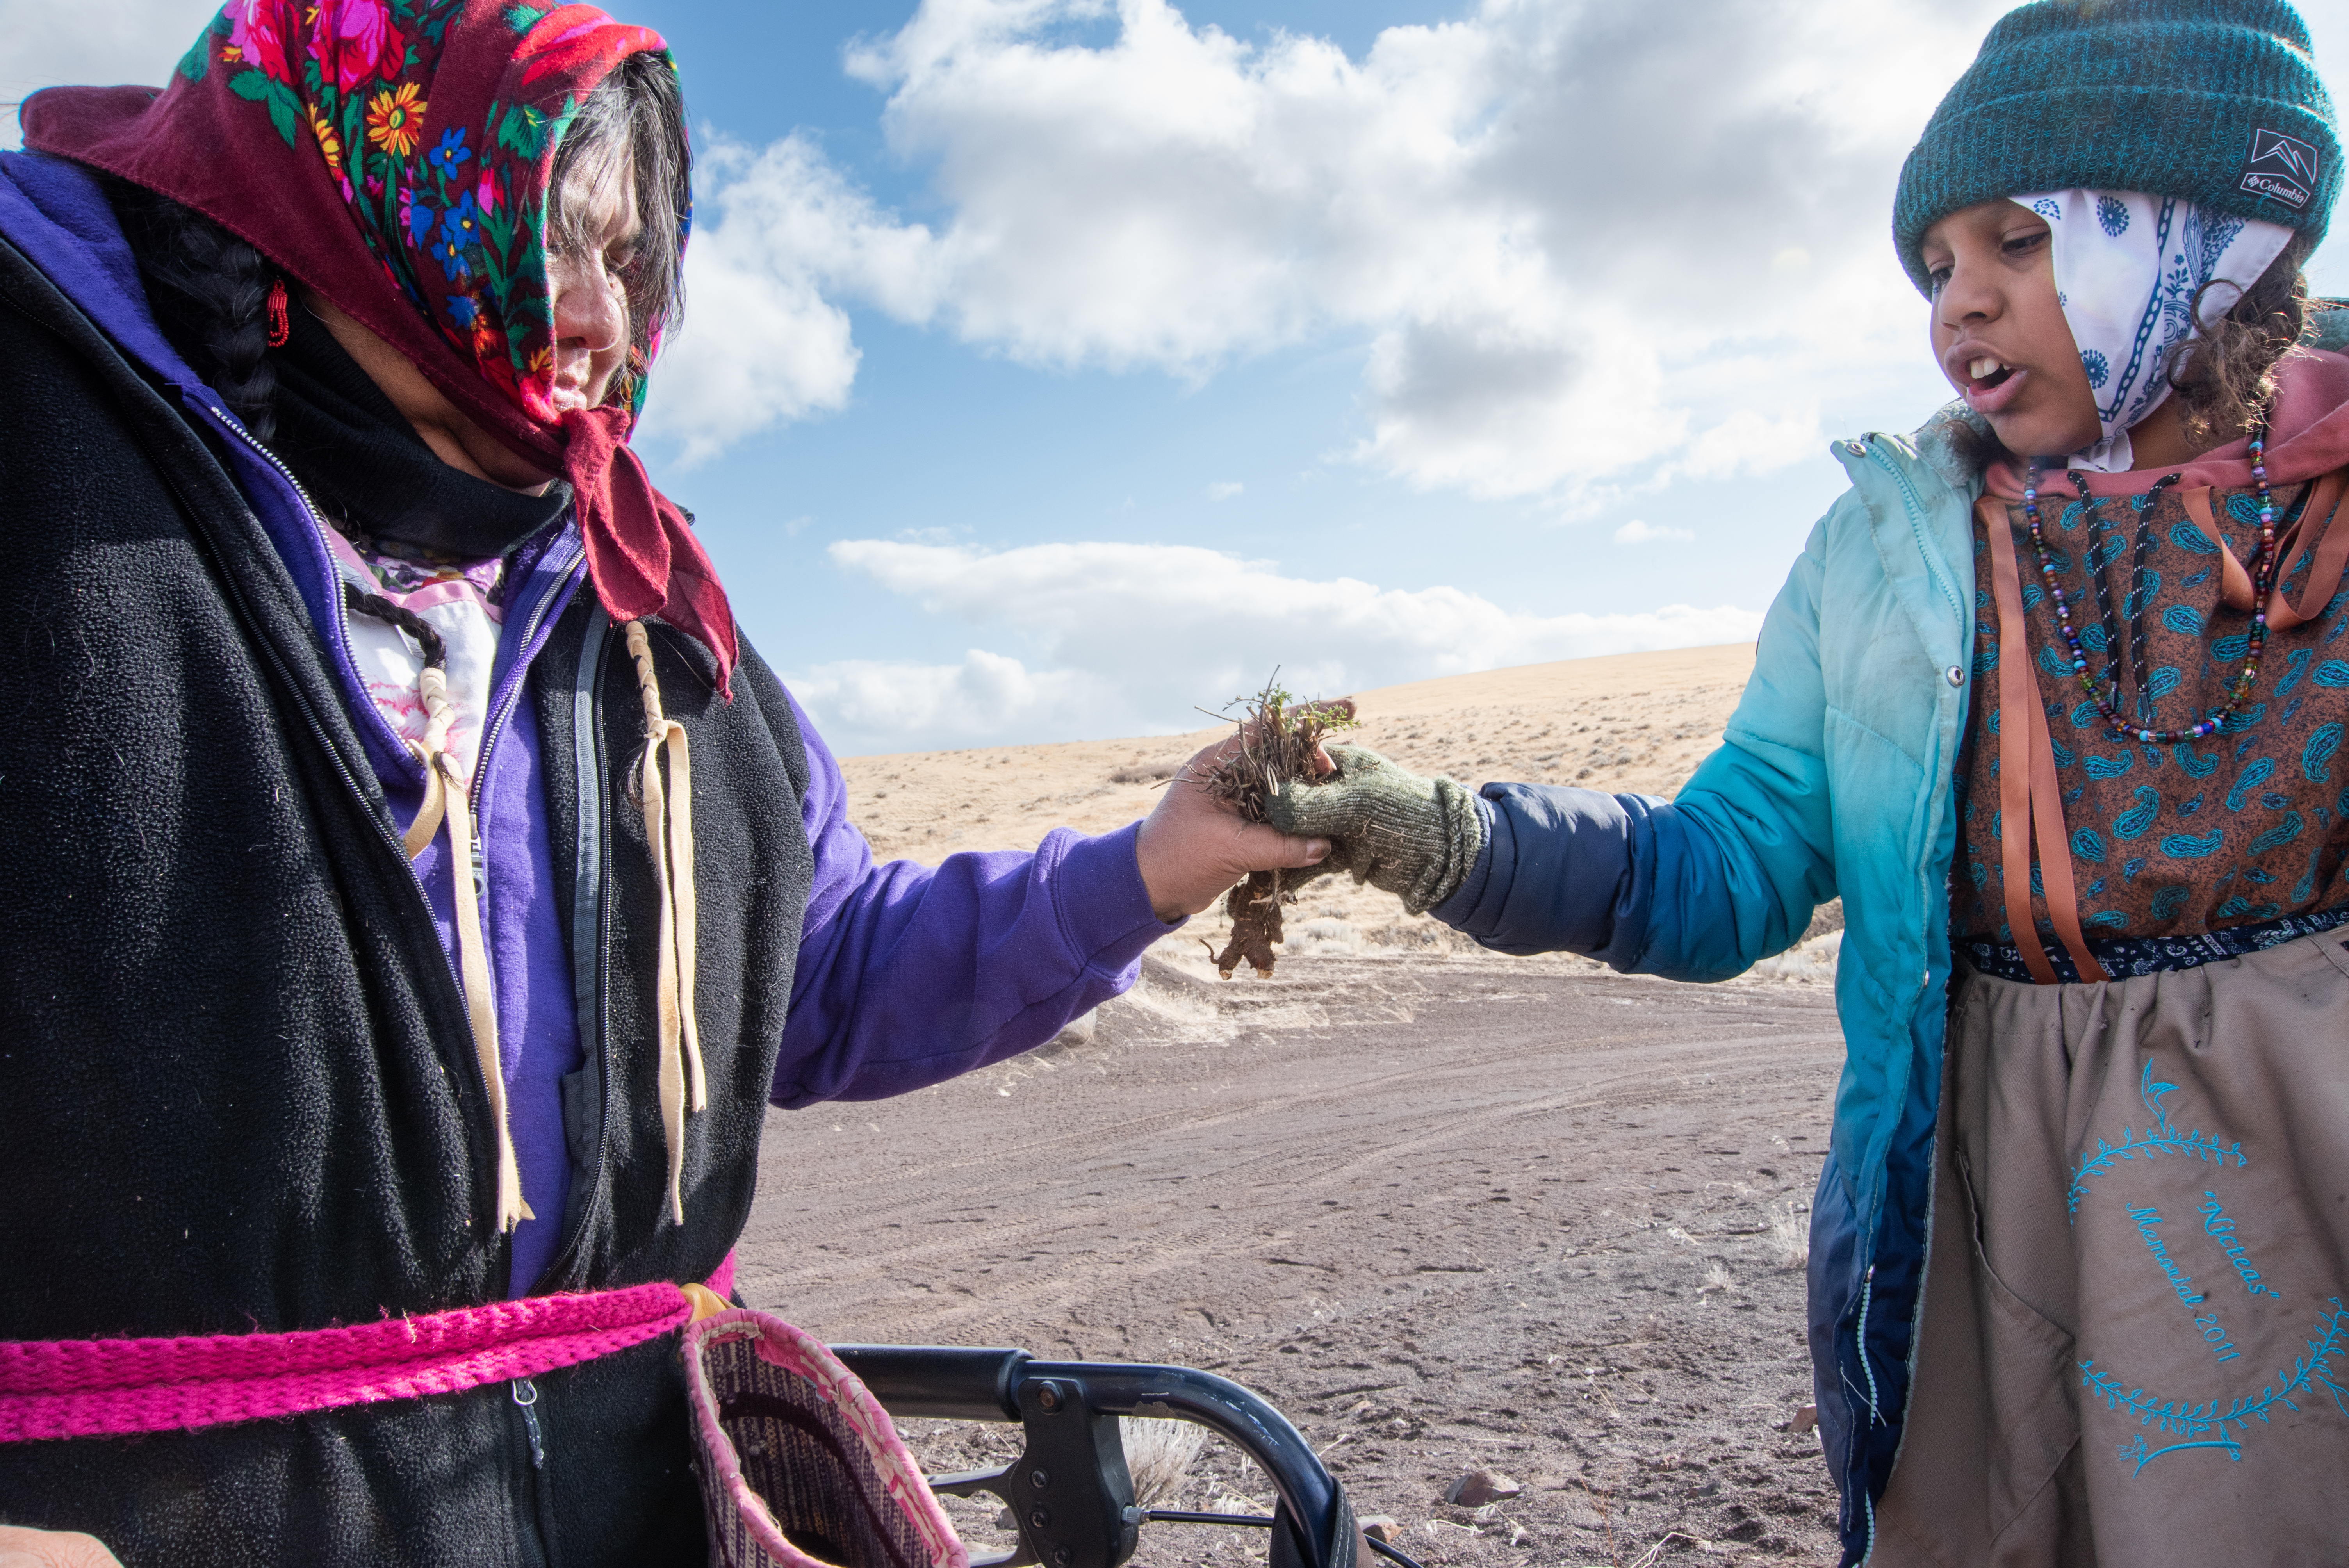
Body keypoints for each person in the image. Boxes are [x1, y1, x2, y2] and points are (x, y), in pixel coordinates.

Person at [0, 4, 1326, 1563]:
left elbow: (815, 972)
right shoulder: (45, 462)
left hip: (632, 1498)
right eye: (543, 237)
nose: (593, 314)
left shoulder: (636, 592)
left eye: (632, 264)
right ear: (357, 191)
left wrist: (1160, 860)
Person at [1268, 2, 2349, 1561]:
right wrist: (1434, 832)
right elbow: (1722, 865)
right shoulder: (1881, 561)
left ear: (2203, 228)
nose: (1956, 301)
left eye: (2017, 239)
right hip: (1988, 1206)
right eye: (1932, 266)